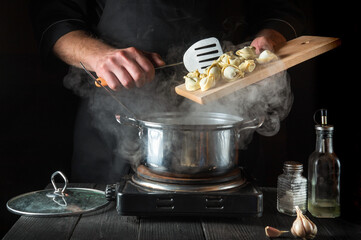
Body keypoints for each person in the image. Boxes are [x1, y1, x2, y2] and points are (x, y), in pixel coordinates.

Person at [32, 0, 305, 184]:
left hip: (225, 126)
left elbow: (280, 8)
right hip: (113, 128)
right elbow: (56, 19)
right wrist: (100, 56)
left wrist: (272, 37)